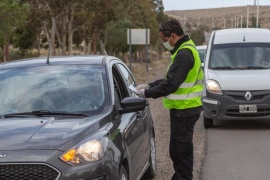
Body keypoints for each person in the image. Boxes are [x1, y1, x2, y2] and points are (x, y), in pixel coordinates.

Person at [136, 18, 204, 180]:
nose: (164, 43)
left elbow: (171, 85)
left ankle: (183, 178)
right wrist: (149, 85)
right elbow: (169, 79)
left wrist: (148, 94)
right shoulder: (182, 51)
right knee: (177, 150)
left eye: (165, 40)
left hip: (185, 109)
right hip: (183, 109)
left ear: (173, 36)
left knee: (182, 151)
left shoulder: (184, 53)